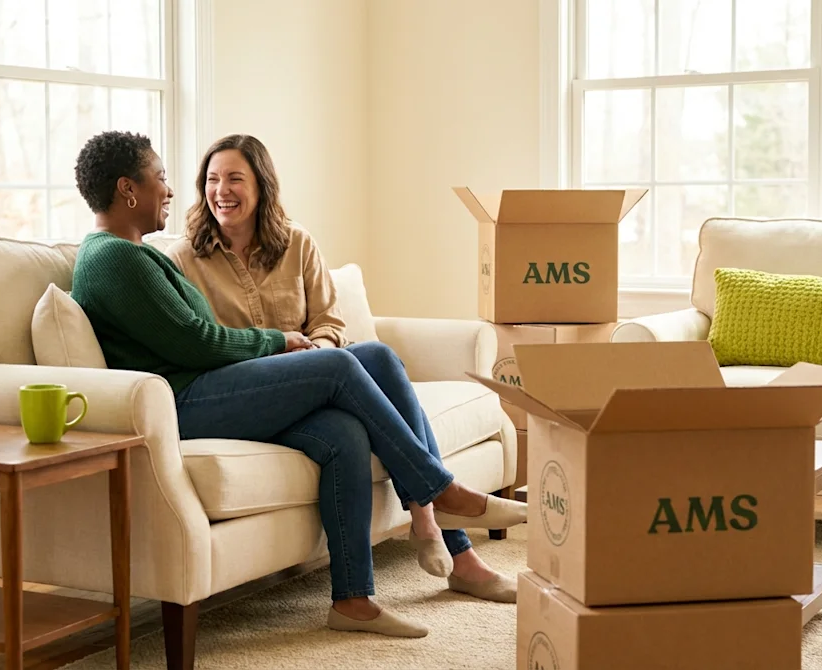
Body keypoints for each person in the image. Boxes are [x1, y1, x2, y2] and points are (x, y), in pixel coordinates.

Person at [69, 130, 526, 639]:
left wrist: (288, 346)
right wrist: (278, 342)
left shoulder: (136, 254)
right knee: (343, 366)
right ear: (129, 190)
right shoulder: (115, 258)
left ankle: (353, 600)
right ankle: (439, 492)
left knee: (343, 431)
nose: (171, 190)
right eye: (161, 178)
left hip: (215, 389)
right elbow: (196, 342)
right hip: (187, 401)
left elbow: (200, 337)